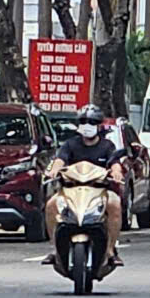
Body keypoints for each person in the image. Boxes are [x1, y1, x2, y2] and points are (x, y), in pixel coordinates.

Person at [44, 107, 128, 265]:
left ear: (99, 125)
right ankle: (54, 249)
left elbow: (114, 163)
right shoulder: (70, 145)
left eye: (92, 122)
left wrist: (116, 172)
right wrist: (54, 170)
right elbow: (59, 160)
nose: (87, 125)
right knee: (51, 204)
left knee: (114, 204)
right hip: (71, 190)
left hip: (99, 191)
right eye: (83, 121)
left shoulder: (107, 146)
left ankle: (110, 251)